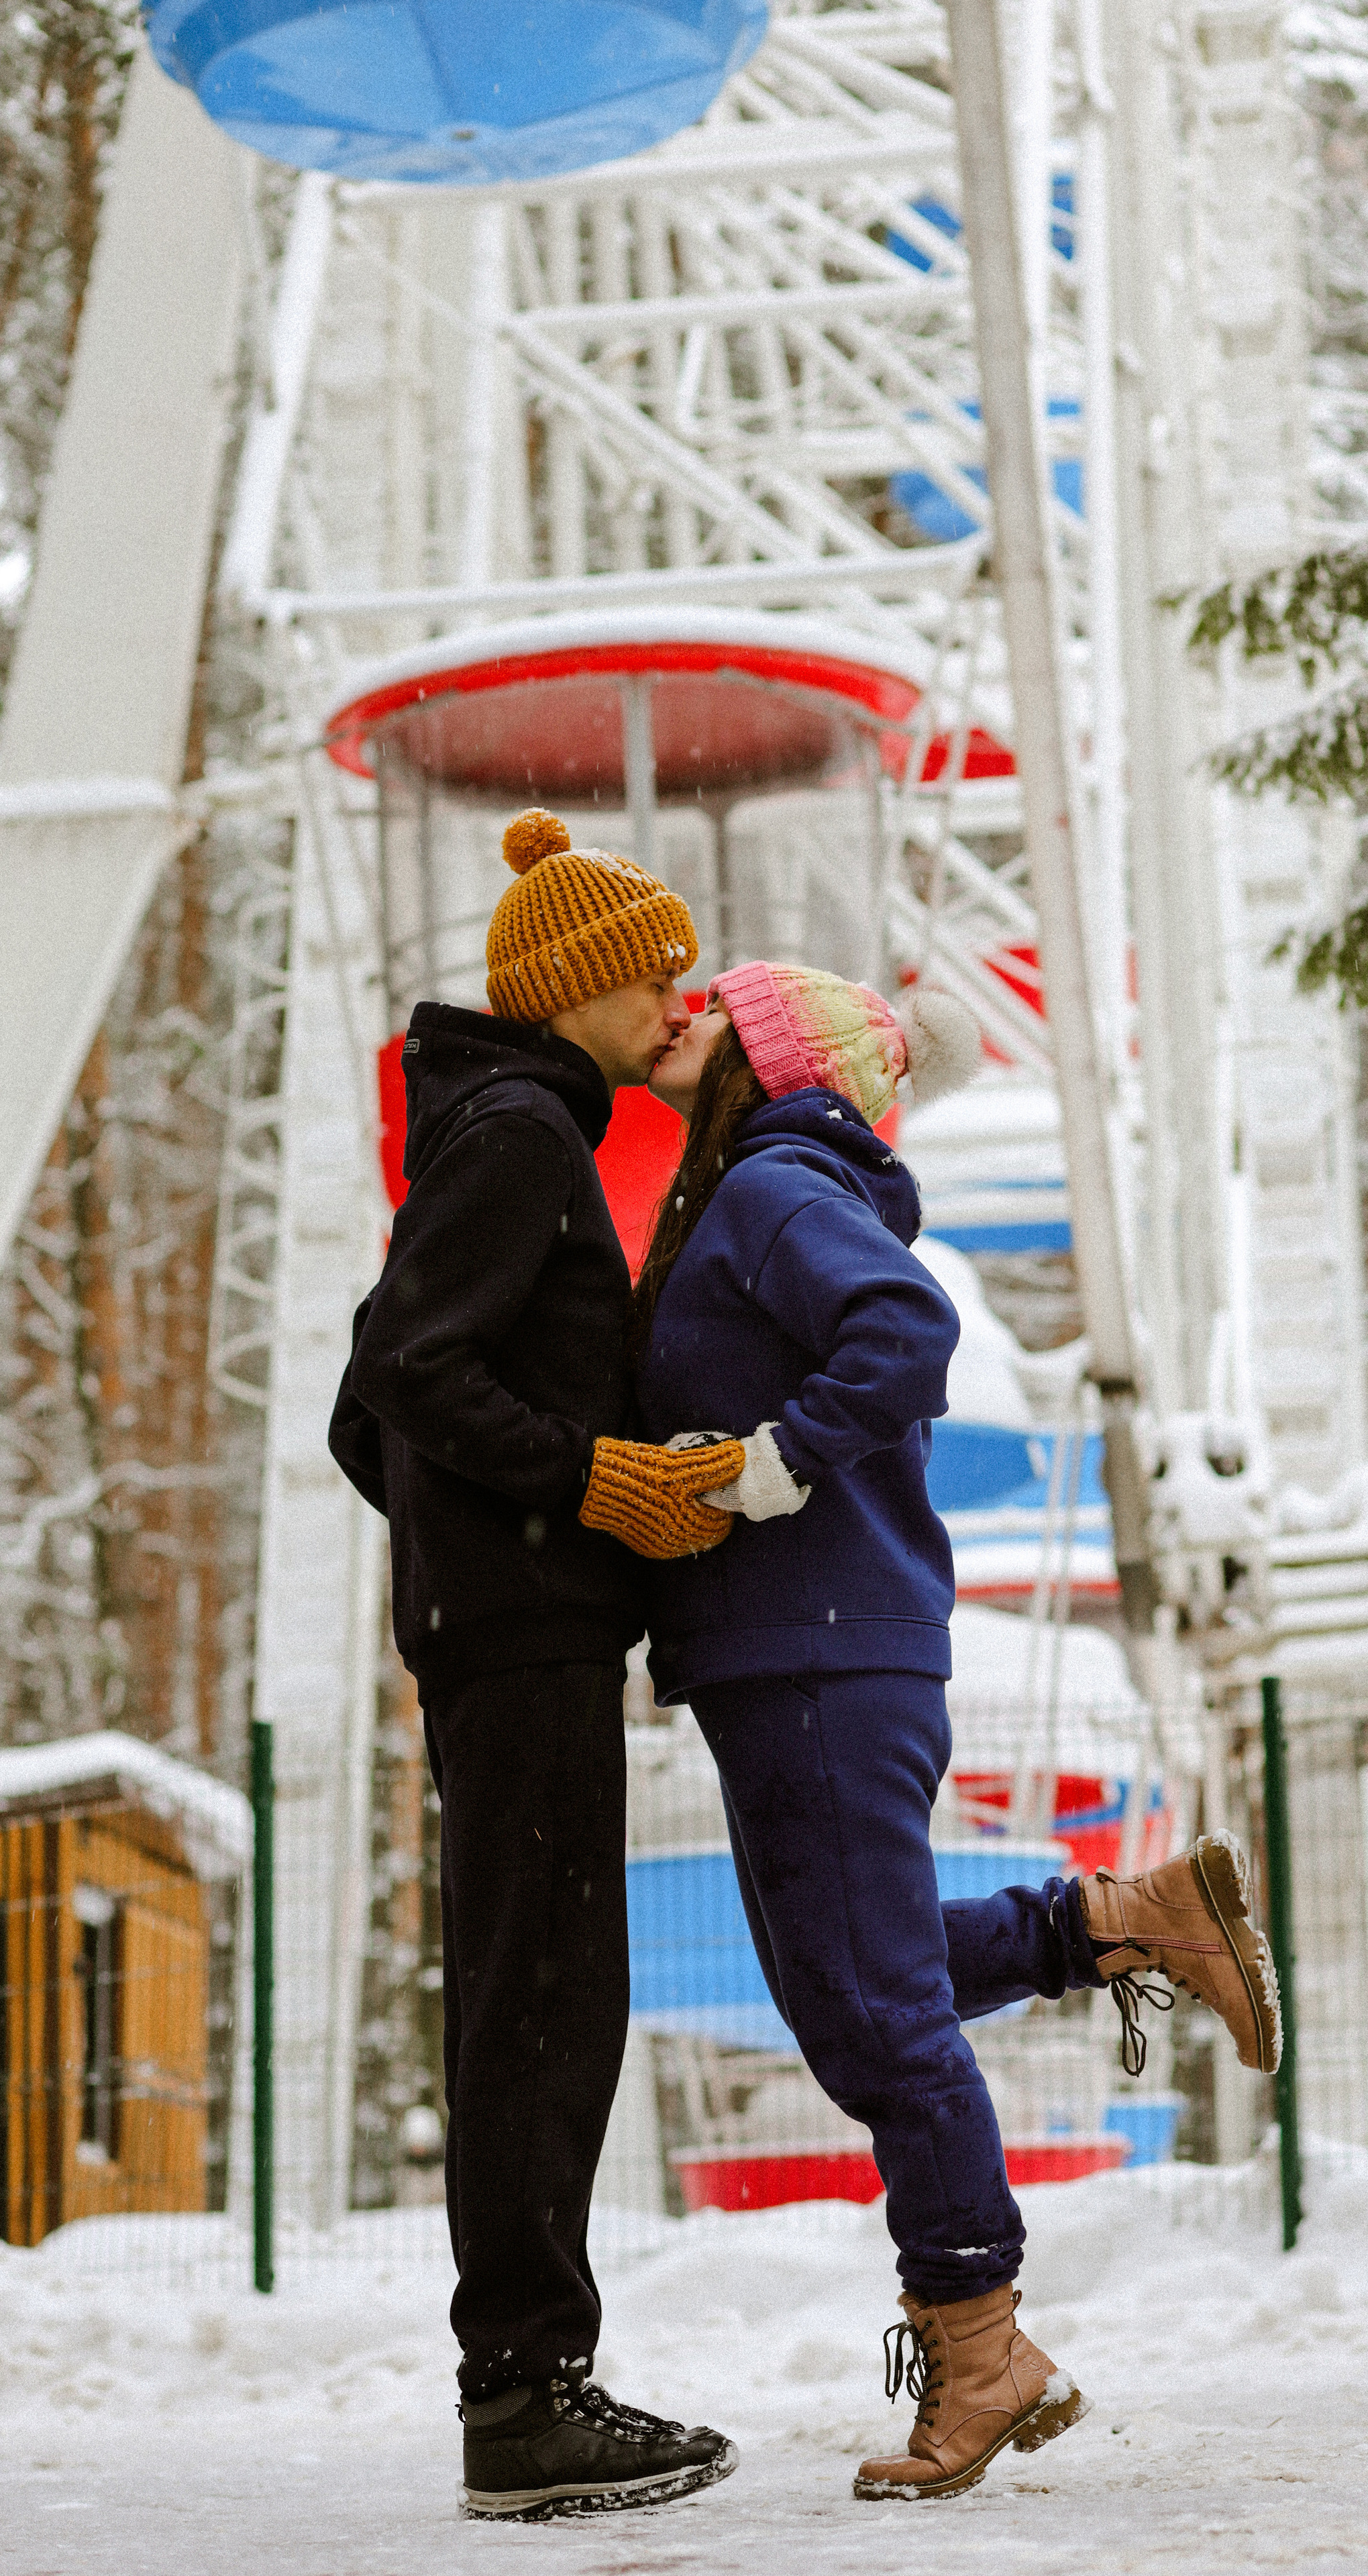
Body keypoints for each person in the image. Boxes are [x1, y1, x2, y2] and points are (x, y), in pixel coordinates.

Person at [633, 963, 1283, 2503]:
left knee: (874, 2013)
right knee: (849, 1980)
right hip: (801, 1646)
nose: (676, 1005)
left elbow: (903, 1329)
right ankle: (1125, 1919)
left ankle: (979, 2342)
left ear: (775, 1057)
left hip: (821, 1647)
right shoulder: (760, 1184)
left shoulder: (777, 1180)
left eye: (710, 1000)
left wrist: (773, 1466)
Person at [328, 808, 746, 2520]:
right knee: (542, 2007)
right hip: (526, 1637)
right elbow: (414, 1373)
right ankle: (523, 2399)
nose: (679, 999)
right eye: (654, 972)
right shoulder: (516, 1137)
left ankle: (529, 2382)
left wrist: (461, 1552)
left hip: (508, 1623)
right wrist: (582, 1493)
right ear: (573, 986)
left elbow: (371, 1403)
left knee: (537, 1994)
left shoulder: (494, 1130)